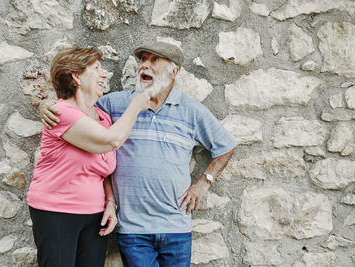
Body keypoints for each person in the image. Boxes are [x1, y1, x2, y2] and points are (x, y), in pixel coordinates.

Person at [40, 41, 236, 267]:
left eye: (155, 60)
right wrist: (45, 105)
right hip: (133, 229)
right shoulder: (112, 104)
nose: (145, 66)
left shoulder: (192, 111)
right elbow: (75, 109)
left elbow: (226, 145)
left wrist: (204, 182)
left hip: (176, 226)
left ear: (174, 71)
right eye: (142, 60)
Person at [27, 46, 150, 267]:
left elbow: (102, 172)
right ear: (76, 77)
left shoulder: (102, 116)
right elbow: (111, 141)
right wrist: (136, 105)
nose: (105, 74)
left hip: (95, 215)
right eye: (96, 68)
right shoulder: (61, 112)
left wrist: (110, 203)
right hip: (57, 211)